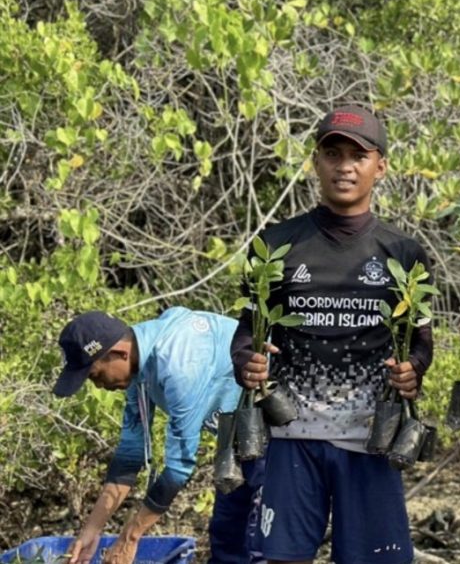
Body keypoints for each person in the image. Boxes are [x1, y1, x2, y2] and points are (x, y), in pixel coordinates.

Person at [232, 104, 432, 564]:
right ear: (316, 162)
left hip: (370, 440)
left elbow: (420, 340)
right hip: (289, 438)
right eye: (333, 153)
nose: (345, 166)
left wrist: (413, 370)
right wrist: (248, 362)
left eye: (358, 156)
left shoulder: (402, 251)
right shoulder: (276, 244)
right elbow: (247, 331)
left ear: (379, 166)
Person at [53, 307, 262, 564]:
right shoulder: (137, 366)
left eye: (95, 375)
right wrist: (91, 531)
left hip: (276, 431)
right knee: (227, 542)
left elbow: (178, 467)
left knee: (262, 543)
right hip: (237, 441)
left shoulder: (179, 362)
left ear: (119, 352)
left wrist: (131, 536)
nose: (99, 386)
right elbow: (130, 455)